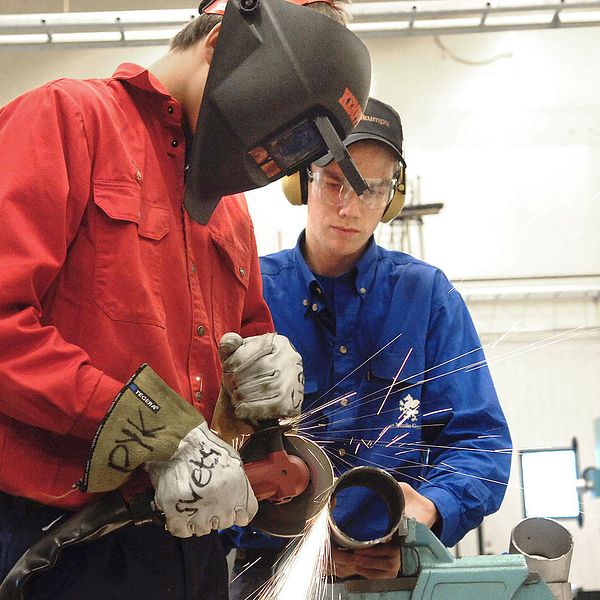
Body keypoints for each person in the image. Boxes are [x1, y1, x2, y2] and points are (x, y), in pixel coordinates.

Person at [0, 0, 371, 598]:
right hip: (57, 548)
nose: (263, 155)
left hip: (188, 546)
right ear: (223, 44)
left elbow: (243, 346)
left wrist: (263, 405)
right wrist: (155, 433)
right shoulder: (69, 119)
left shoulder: (227, 206)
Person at [226, 98, 512, 594]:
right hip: (269, 572)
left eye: (371, 189)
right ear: (301, 182)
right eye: (335, 182)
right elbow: (206, 453)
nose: (349, 206)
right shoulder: (249, 293)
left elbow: (479, 441)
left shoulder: (426, 298)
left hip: (399, 574)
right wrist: (281, 531)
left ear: (391, 198)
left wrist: (432, 509)